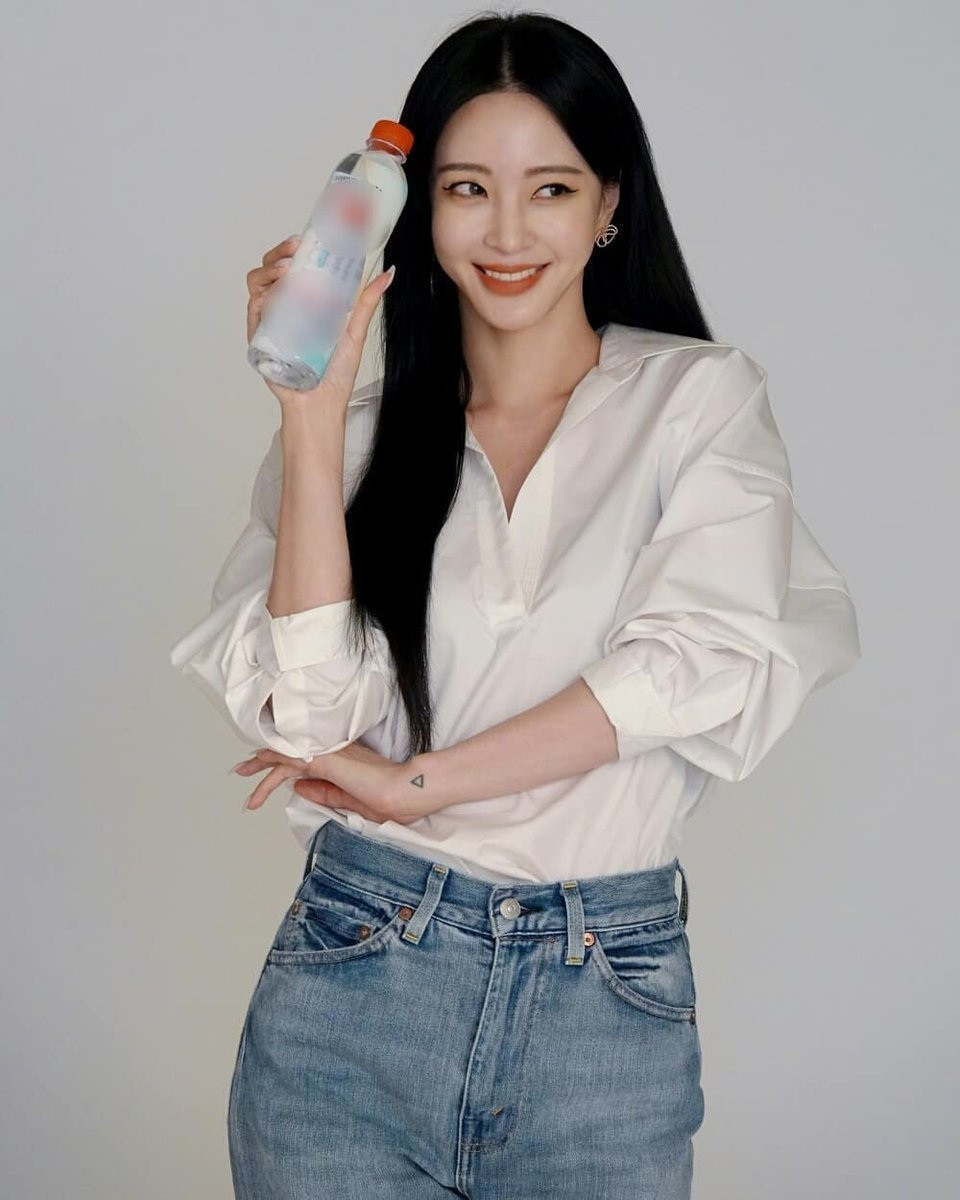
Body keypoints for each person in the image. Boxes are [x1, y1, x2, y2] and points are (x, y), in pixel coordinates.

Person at [169, 11, 861, 1198]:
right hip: (352, 982)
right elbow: (313, 713)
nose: (505, 232)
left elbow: (689, 665)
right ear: (414, 209)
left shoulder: (695, 403)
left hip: (603, 1002)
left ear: (609, 205)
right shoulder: (360, 438)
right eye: (466, 188)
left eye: (550, 189)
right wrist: (312, 414)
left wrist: (416, 785)